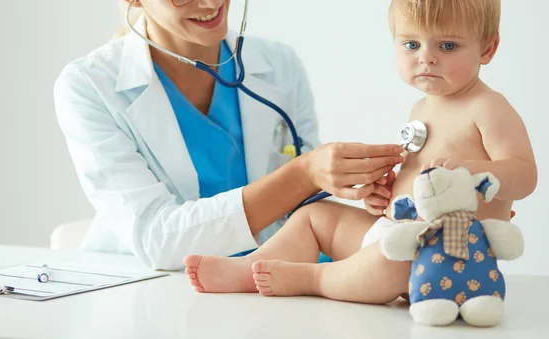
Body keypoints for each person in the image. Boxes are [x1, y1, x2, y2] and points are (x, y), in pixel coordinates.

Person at [184, 0, 537, 304]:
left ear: (487, 49)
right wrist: (382, 195)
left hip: (443, 260)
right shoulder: (422, 109)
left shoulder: (488, 108)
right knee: (315, 215)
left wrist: (468, 171)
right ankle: (250, 268)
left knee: (394, 257)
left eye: (447, 46)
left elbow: (524, 175)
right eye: (411, 44)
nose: (426, 58)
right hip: (393, 232)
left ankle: (312, 279)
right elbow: (413, 186)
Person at [53, 0, 404, 270]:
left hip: (269, 275)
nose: (210, 3)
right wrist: (305, 173)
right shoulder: (88, 86)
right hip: (153, 290)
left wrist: (357, 187)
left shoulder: (279, 64)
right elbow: (157, 239)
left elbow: (300, 207)